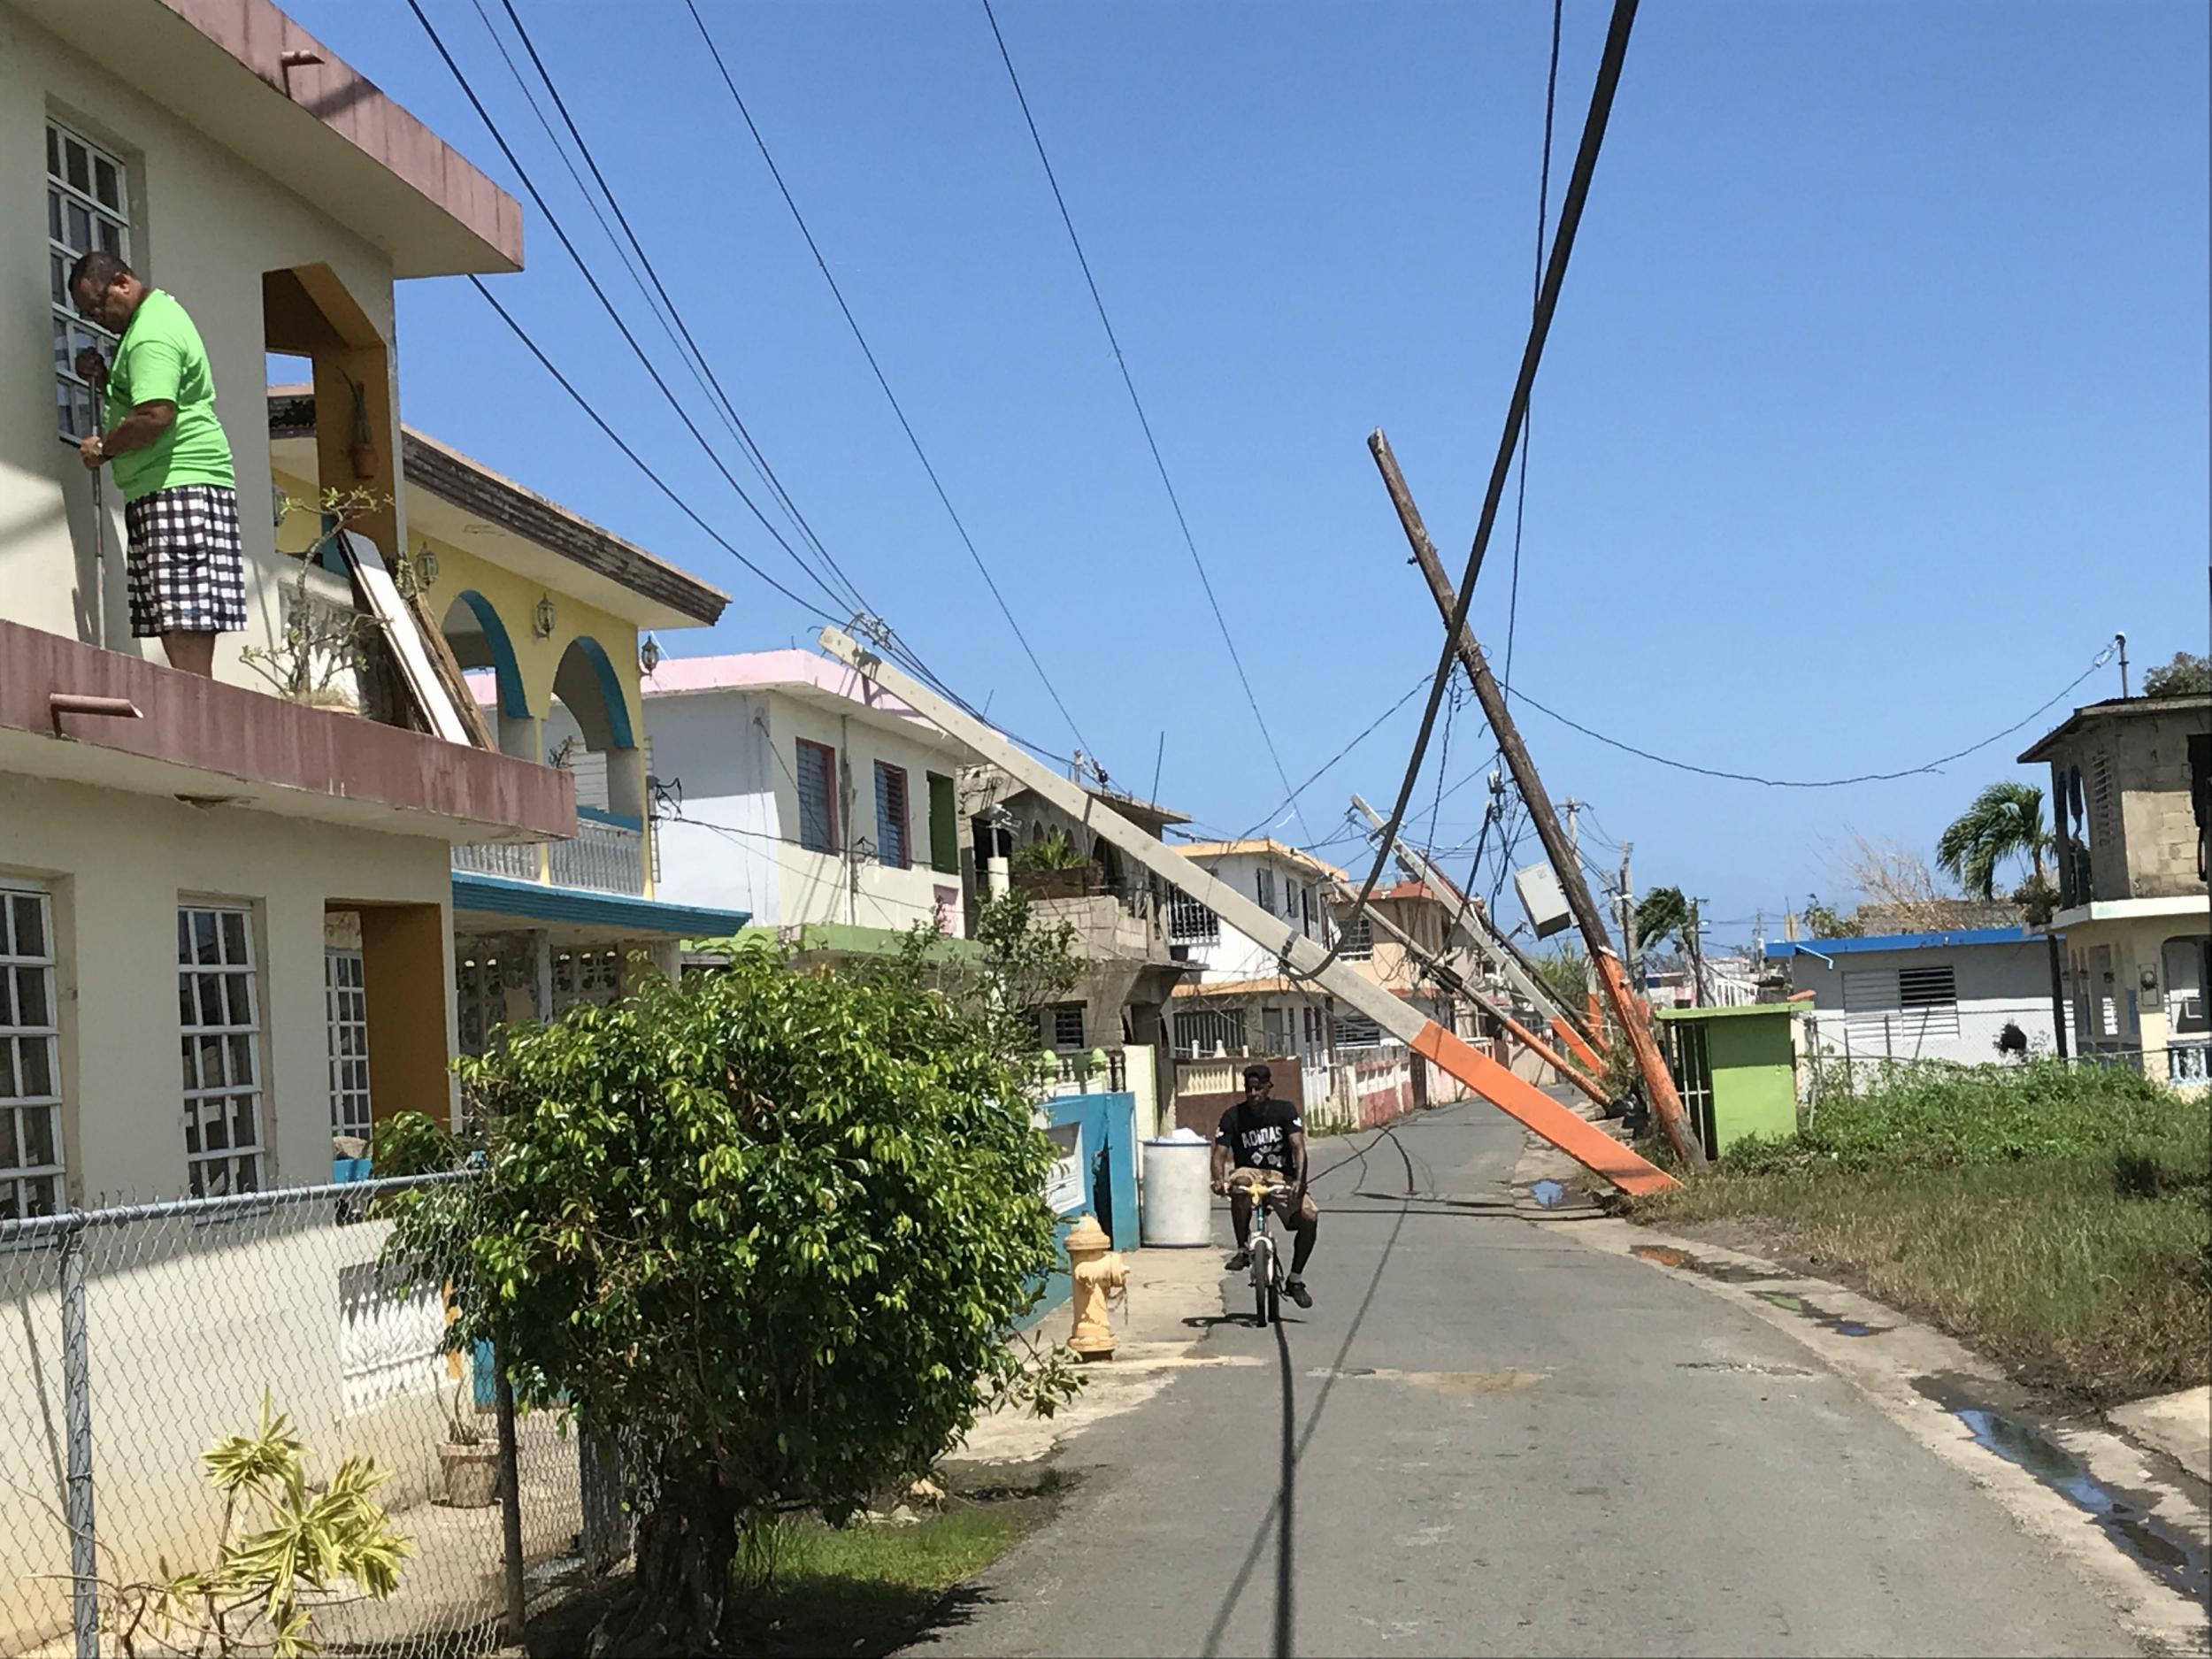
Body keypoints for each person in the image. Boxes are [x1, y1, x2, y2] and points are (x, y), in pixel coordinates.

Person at [69, 251, 242, 677]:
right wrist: (107, 379)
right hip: (169, 486)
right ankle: (195, 707)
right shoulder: (155, 320)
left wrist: (104, 449)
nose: (96, 318)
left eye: (96, 306)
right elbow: (148, 396)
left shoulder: (150, 333)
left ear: (123, 284)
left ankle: (198, 716)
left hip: (177, 485)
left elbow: (155, 414)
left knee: (183, 615)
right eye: (86, 312)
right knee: (172, 612)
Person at [1210, 1062, 1317, 1309]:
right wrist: (1218, 1179)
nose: (1253, 1095)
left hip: (1281, 1177)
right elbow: (1219, 1153)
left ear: (1269, 1088)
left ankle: (1295, 1279)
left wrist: (1300, 1181)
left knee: (1310, 1217)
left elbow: (1298, 1147)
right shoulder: (1232, 1116)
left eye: (1258, 1089)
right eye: (1249, 1089)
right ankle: (1243, 1250)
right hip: (1249, 1172)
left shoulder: (1285, 1111)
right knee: (1239, 1185)